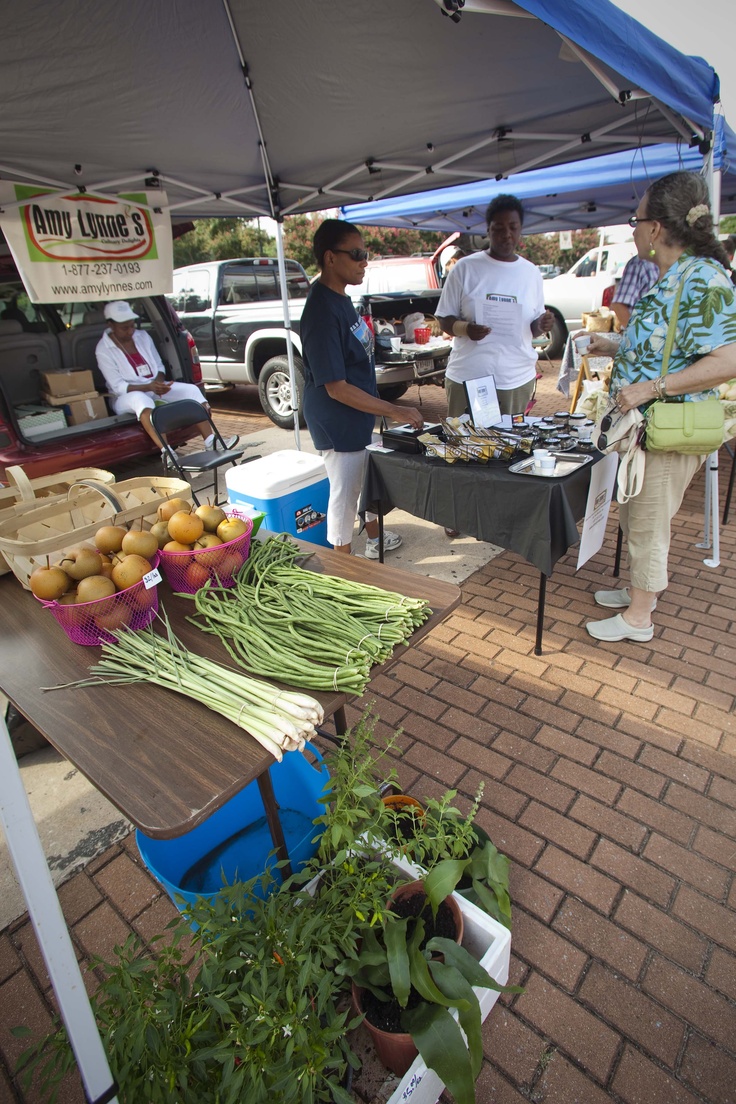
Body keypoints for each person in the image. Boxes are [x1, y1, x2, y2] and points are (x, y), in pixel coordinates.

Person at [583, 172, 736, 643]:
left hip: (666, 424)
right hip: (644, 427)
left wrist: (651, 388)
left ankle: (640, 618)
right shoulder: (677, 275)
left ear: (654, 229)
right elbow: (664, 342)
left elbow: (728, 359)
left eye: (635, 219)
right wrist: (613, 344)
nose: (631, 229)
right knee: (635, 512)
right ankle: (638, 592)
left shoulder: (702, 279)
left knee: (648, 519)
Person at [300, 220, 423, 558]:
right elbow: (336, 388)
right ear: (330, 258)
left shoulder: (342, 300)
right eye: (356, 254)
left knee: (365, 476)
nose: (364, 262)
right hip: (337, 417)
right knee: (344, 491)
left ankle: (374, 538)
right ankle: (343, 565)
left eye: (365, 253)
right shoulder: (322, 311)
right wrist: (396, 410)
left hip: (358, 413)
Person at [436, 194, 555, 419]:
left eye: (513, 227)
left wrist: (542, 324)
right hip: (469, 377)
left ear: (520, 230)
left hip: (516, 379)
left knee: (512, 450)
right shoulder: (465, 268)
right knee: (466, 450)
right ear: (488, 230)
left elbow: (532, 329)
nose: (506, 234)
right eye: (499, 227)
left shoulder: (531, 273)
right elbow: (444, 319)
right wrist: (466, 329)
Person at [95, 301, 238, 458]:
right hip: (126, 396)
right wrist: (150, 387)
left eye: (131, 325)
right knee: (141, 401)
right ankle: (167, 452)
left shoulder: (142, 336)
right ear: (111, 325)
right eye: (124, 328)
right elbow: (118, 387)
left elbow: (159, 367)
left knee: (192, 390)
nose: (130, 331)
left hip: (153, 387)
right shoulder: (103, 348)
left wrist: (158, 383)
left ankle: (211, 441)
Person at [610, 254, 659, 330]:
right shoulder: (640, 263)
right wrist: (637, 336)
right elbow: (618, 305)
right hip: (648, 336)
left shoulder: (680, 264)